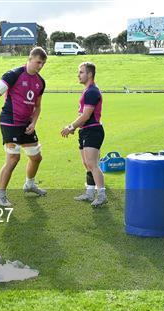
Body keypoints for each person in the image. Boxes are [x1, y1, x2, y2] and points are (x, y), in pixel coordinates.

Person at [0, 47, 48, 207]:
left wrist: (34, 123)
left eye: (43, 63)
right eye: (38, 62)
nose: (40, 66)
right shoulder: (13, 74)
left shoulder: (40, 82)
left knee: (36, 157)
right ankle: (1, 196)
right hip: (10, 121)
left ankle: (29, 184)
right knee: (13, 158)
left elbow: (38, 106)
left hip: (26, 123)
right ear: (30, 59)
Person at [61, 62, 106, 207]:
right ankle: (90, 192)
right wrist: (76, 127)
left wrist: (70, 127)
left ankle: (102, 195)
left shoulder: (92, 91)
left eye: (81, 72)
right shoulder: (87, 91)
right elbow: (82, 114)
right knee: (87, 164)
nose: (78, 75)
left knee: (92, 164)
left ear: (90, 74)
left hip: (93, 130)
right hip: (85, 130)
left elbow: (86, 115)